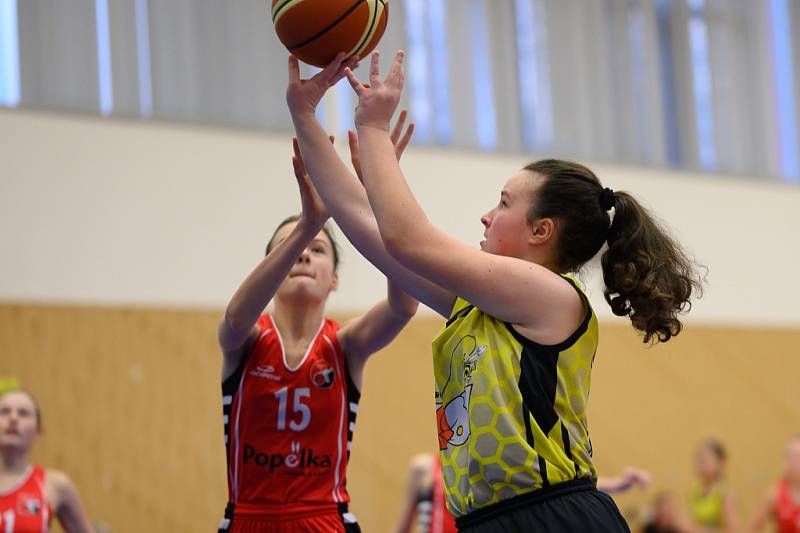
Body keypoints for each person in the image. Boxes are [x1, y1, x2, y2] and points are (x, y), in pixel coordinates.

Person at [287, 51, 703, 532]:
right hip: (490, 520)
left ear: (541, 231)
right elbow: (370, 231)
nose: (487, 215)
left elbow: (407, 238)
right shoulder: (481, 305)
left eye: (503, 203)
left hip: (551, 517)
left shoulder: (550, 295)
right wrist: (304, 114)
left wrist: (375, 130)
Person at [217, 126, 418, 532]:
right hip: (249, 517)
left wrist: (380, 195)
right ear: (269, 271)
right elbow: (235, 317)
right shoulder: (248, 339)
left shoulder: (344, 346)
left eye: (318, 249)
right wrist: (309, 223)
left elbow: (404, 305)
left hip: (324, 519)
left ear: (335, 280)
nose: (304, 254)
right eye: (291, 246)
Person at [393, 452, 650, 533]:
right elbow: (402, 525)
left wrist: (617, 483)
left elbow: (554, 487)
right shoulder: (424, 468)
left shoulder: (497, 468)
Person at [0, 389, 94, 532]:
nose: (13, 418)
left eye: (23, 413)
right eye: (5, 412)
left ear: (38, 431)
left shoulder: (55, 486)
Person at [749, 435, 800, 532]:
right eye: (792, 457)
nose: (796, 462)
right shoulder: (775, 494)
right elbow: (753, 528)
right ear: (785, 462)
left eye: (799, 457)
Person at [687, 439, 738, 532]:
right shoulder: (695, 490)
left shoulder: (725, 492)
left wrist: (701, 530)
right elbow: (693, 524)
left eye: (704, 460)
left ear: (720, 462)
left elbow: (732, 530)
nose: (699, 464)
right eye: (698, 459)